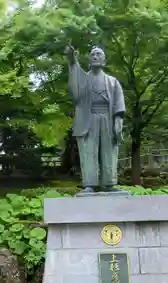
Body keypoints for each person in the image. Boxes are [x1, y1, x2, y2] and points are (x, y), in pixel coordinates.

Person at [65, 45, 126, 194]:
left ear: (104, 61)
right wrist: (72, 59)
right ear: (89, 61)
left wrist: (118, 120)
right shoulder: (83, 79)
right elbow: (74, 81)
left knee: (109, 151)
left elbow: (119, 102)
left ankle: (109, 184)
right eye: (92, 54)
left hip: (107, 118)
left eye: (99, 54)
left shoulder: (112, 81)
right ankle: (89, 184)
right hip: (88, 118)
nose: (95, 56)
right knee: (88, 151)